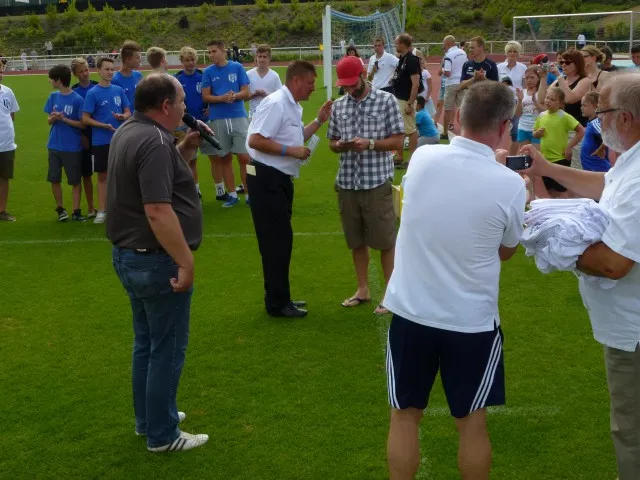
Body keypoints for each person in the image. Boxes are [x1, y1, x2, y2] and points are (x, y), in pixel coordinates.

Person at [384, 81, 526, 480]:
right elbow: (506, 251)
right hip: (470, 322)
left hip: (412, 313)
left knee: (404, 416)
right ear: (505, 126)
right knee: (471, 422)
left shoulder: (423, 157)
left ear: (459, 118)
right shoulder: (510, 184)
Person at [521, 72, 640, 480]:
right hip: (629, 326)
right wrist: (545, 169)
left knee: (632, 432)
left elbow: (613, 264)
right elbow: (607, 184)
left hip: (634, 332)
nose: (595, 120)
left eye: (602, 111)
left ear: (625, 118)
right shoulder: (631, 161)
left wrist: (555, 243)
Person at [107, 73, 209, 453]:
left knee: (147, 344)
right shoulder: (153, 140)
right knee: (167, 347)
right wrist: (185, 261)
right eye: (181, 101)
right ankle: (163, 434)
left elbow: (154, 176)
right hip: (154, 260)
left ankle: (150, 418)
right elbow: (156, 209)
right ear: (166, 105)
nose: (185, 107)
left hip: (130, 256)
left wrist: (185, 147)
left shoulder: (131, 131)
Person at [246, 61, 332, 318]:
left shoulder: (291, 105)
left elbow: (294, 137)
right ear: (296, 81)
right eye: (310, 83)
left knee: (280, 242)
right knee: (276, 243)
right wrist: (289, 151)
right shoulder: (276, 103)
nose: (313, 88)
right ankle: (277, 303)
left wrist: (318, 121)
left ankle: (279, 297)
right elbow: (255, 140)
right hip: (266, 179)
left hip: (279, 180)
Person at [328, 56, 404, 315]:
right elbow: (331, 142)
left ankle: (390, 295)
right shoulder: (339, 105)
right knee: (356, 241)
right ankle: (363, 289)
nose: (349, 89)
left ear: (363, 75)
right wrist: (340, 145)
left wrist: (370, 144)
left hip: (376, 183)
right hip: (347, 183)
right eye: (345, 85)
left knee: (385, 241)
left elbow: (398, 141)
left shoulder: (386, 100)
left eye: (352, 83)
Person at [201, 40, 251, 207]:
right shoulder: (208, 72)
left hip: (238, 116)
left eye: (213, 51)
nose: (211, 55)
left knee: (245, 157)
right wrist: (221, 98)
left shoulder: (237, 67)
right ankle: (232, 195)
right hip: (218, 118)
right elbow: (205, 97)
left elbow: (246, 92)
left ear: (223, 52)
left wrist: (234, 96)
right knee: (224, 158)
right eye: (209, 52)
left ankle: (250, 194)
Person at [82, 57, 131, 224]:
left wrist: (123, 116)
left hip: (119, 139)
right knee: (102, 176)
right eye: (107, 69)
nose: (110, 72)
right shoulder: (92, 93)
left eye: (112, 69)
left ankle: (120, 209)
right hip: (101, 141)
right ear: (98, 71)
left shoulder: (118, 90)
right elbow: (85, 118)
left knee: (121, 175)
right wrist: (103, 125)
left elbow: (128, 112)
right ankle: (102, 211)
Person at [44, 65, 87, 223]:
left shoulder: (77, 99)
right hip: (54, 145)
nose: (50, 81)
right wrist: (54, 118)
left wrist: (64, 119)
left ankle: (76, 211)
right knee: (54, 178)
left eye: (51, 79)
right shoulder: (53, 96)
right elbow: (49, 120)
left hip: (72, 147)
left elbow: (82, 124)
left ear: (59, 81)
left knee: (75, 181)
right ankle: (60, 209)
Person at [539, 49, 592, 170]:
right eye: (561, 62)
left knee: (575, 168)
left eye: (567, 62)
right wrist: (543, 78)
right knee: (556, 168)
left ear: (577, 64)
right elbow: (542, 99)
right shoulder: (559, 80)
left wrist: (559, 76)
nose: (563, 65)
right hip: (558, 131)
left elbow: (570, 98)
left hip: (576, 132)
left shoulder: (585, 81)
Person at [533, 86, 585, 197]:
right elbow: (534, 133)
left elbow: (581, 131)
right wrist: (537, 133)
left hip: (560, 159)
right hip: (545, 159)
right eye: (547, 98)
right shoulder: (542, 115)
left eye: (552, 99)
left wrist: (569, 147)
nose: (548, 101)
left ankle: (568, 205)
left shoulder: (564, 116)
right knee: (549, 191)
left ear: (560, 104)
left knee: (561, 191)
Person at [175, 46, 207, 200]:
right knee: (189, 160)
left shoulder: (203, 76)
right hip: (185, 124)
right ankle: (194, 189)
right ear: (182, 61)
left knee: (216, 157)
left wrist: (210, 107)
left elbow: (211, 93)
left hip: (205, 122)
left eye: (192, 59)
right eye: (187, 60)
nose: (190, 63)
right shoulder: (177, 79)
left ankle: (220, 190)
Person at [71, 57, 98, 218]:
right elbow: (75, 117)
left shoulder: (98, 87)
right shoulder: (73, 92)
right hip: (84, 138)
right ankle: (91, 208)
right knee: (86, 175)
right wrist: (82, 135)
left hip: (101, 136)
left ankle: (106, 206)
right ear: (75, 74)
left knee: (105, 174)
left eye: (86, 70)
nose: (85, 73)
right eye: (81, 72)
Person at [389, 33, 421, 169]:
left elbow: (416, 83)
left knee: (410, 129)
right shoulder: (403, 59)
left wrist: (410, 103)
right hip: (399, 98)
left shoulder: (412, 60)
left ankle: (412, 159)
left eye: (397, 43)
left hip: (405, 100)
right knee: (399, 129)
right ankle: (399, 156)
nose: (395, 45)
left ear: (403, 44)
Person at [0, 60, 19, 222]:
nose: (1, 75)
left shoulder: (7, 92)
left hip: (6, 143)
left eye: (1, 71)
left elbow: (11, 116)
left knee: (4, 178)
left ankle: (2, 210)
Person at [441, 35, 468, 140]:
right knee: (463, 109)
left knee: (447, 109)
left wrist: (442, 70)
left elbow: (447, 73)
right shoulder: (463, 53)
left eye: (444, 44)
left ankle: (444, 133)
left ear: (447, 44)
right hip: (462, 83)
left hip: (451, 83)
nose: (443, 46)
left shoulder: (449, 55)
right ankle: (464, 133)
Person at [247, 44, 282, 119]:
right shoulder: (248, 74)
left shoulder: (275, 76)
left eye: (264, 57)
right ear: (256, 57)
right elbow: (244, 98)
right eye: (259, 56)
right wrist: (254, 94)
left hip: (270, 117)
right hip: (253, 117)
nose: (261, 60)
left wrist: (266, 95)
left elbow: (280, 98)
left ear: (269, 59)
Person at [515, 66, 544, 151]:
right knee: (525, 155)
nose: (529, 80)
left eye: (532, 77)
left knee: (536, 155)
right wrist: (520, 100)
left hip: (537, 129)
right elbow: (517, 114)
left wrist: (535, 102)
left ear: (538, 78)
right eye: (527, 78)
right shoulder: (523, 93)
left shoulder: (541, 93)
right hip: (523, 128)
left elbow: (545, 112)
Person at [579, 91, 610, 172]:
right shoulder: (591, 123)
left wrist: (601, 149)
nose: (581, 108)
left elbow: (608, 136)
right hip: (591, 169)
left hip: (599, 168)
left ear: (595, 106)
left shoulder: (596, 123)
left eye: (584, 105)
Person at [111, 40, 143, 110]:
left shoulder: (139, 75)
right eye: (137, 57)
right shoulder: (115, 80)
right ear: (128, 59)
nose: (140, 60)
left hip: (139, 116)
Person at [416, 51, 435, 117]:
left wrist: (427, 96)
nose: (421, 65)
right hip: (418, 98)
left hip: (426, 98)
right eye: (419, 64)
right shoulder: (414, 74)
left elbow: (430, 85)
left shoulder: (426, 72)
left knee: (429, 114)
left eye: (422, 63)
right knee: (419, 114)